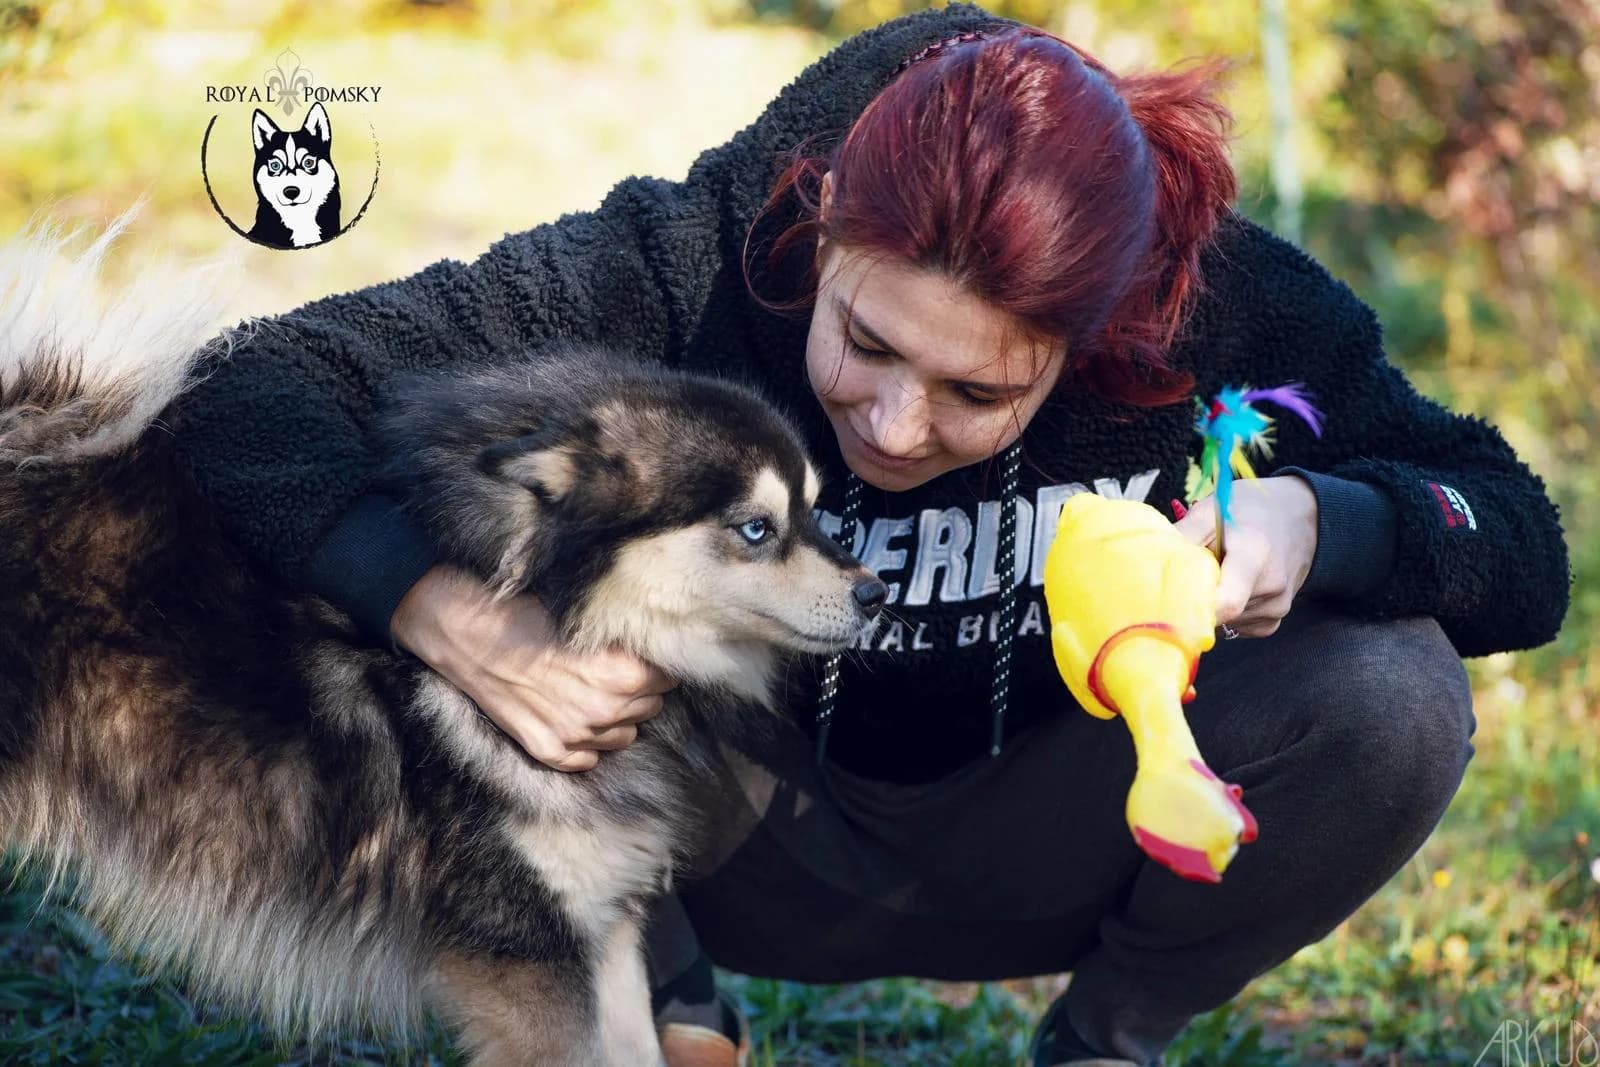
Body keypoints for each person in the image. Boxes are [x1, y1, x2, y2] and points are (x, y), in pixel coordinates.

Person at [170, 5, 1571, 1065]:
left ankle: (1107, 1041)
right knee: (470, 530)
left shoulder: (1210, 300)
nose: (897, 426)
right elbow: (254, 385)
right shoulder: (693, 252)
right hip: (713, 831)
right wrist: (451, 621)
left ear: (1095, 338)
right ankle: (658, 1000)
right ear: (823, 225)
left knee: (1396, 695)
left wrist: (1316, 518)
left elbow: (1515, 534)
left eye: (981, 391)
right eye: (867, 344)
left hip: (1051, 832)